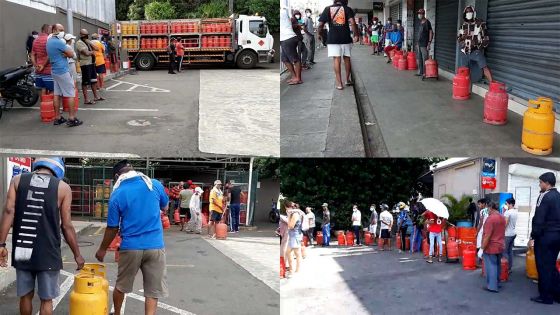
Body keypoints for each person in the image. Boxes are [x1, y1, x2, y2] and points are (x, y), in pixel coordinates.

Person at [0, 158, 85, 315]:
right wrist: (77, 255)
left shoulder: (17, 180)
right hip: (48, 252)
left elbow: (8, 211)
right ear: (59, 169)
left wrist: (1, 244)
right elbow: (66, 225)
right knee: (47, 299)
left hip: (22, 248)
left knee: (25, 296)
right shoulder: (63, 188)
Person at [95, 160, 169, 315]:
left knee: (121, 286)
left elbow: (112, 227)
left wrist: (102, 249)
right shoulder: (154, 184)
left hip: (131, 247)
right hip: (155, 246)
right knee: (152, 291)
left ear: (117, 176)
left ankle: (116, 313)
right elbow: (165, 206)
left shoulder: (118, 193)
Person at [529, 172, 560, 304]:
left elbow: (538, 219)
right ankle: (557, 295)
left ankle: (545, 297)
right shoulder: (558, 196)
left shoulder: (544, 196)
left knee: (543, 267)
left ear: (547, 183)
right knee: (551, 266)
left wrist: (533, 237)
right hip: (557, 237)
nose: (539, 185)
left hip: (545, 237)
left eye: (541, 182)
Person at [47, 24, 83, 127]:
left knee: (57, 94)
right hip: (62, 70)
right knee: (71, 93)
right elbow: (72, 55)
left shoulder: (49, 41)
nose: (63, 32)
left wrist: (65, 54)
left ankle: (57, 117)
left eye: (63, 30)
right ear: (54, 30)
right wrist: (67, 54)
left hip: (54, 70)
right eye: (60, 30)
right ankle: (72, 118)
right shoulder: (59, 42)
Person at [318, 0, 359, 90]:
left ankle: (339, 84)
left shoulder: (327, 9)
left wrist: (319, 34)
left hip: (333, 39)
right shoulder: (347, 9)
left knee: (336, 59)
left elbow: (320, 25)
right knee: (347, 58)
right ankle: (347, 80)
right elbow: (352, 23)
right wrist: (356, 35)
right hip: (345, 38)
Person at [457, 6, 493, 83]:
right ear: (464, 14)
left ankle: (492, 85)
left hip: (476, 51)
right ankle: (466, 91)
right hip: (465, 52)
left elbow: (486, 38)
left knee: (484, 66)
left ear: (474, 13)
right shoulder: (463, 26)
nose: (469, 13)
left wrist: (478, 46)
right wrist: (463, 38)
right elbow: (458, 39)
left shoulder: (480, 24)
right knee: (465, 72)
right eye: (467, 12)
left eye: (470, 11)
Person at [481, 202, 506, 293]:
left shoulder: (490, 219)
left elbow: (487, 235)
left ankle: (492, 286)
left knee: (491, 266)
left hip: (491, 246)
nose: (487, 210)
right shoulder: (502, 217)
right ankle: (497, 283)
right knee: (497, 265)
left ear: (491, 208)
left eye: (488, 208)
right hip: (500, 244)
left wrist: (482, 248)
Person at [75, 29, 102, 105]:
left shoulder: (88, 42)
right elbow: (86, 53)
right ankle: (86, 99)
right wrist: (92, 52)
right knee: (85, 82)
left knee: (94, 81)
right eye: (84, 35)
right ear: (81, 35)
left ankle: (96, 97)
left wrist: (89, 42)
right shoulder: (79, 43)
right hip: (85, 64)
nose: (86, 36)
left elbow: (97, 48)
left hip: (91, 63)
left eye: (87, 34)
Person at [31, 24, 54, 98]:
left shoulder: (35, 40)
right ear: (47, 30)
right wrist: (43, 65)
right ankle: (50, 108)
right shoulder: (49, 40)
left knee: (42, 89)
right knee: (52, 90)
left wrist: (36, 65)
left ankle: (43, 108)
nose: (51, 31)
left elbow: (32, 54)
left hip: (38, 70)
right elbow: (49, 55)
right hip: (48, 70)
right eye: (50, 30)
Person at [286, 202, 304, 275]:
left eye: (286, 208)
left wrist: (289, 216)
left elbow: (290, 226)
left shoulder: (295, 215)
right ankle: (294, 269)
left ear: (289, 208)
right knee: (291, 253)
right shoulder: (296, 213)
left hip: (295, 236)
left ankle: (294, 270)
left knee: (296, 253)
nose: (286, 210)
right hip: (294, 235)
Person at [415, 9, 433, 78]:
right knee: (420, 59)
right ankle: (420, 72)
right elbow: (419, 34)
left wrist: (429, 43)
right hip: (419, 44)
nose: (419, 15)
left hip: (424, 44)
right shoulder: (420, 22)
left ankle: (425, 73)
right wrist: (417, 43)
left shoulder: (427, 22)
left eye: (420, 13)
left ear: (423, 14)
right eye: (418, 13)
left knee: (425, 59)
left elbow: (431, 32)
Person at [502, 198, 517, 273]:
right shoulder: (515, 211)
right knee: (510, 251)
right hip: (513, 233)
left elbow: (505, 223)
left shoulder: (507, 212)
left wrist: (501, 232)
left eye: (506, 203)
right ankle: (509, 267)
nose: (506, 205)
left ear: (510, 204)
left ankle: (506, 268)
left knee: (505, 252)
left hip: (507, 234)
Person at [476, 198, 489, 264]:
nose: (479, 206)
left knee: (480, 244)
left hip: (482, 230)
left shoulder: (482, 211)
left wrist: (477, 232)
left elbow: (480, 223)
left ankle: (481, 260)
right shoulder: (489, 210)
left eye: (479, 204)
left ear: (484, 204)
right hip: (488, 229)